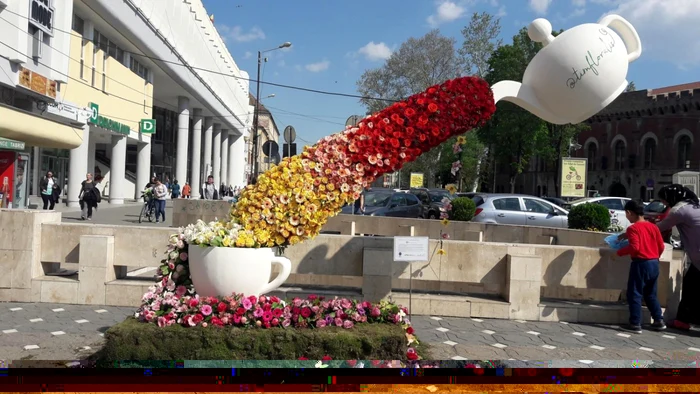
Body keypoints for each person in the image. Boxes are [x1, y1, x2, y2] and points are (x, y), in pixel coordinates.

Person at [616, 200, 666, 334]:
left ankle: (635, 323)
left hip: (640, 263)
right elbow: (661, 246)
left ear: (629, 213)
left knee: (635, 294)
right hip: (654, 262)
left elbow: (635, 247)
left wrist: (619, 252)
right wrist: (654, 255)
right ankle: (659, 320)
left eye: (626, 215)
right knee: (650, 294)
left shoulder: (632, 228)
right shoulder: (653, 226)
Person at [656, 184, 700, 330]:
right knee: (690, 285)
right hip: (696, 258)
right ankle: (684, 320)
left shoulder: (679, 210)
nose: (664, 204)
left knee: (692, 287)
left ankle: (685, 320)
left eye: (664, 201)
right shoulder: (694, 204)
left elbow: (659, 228)